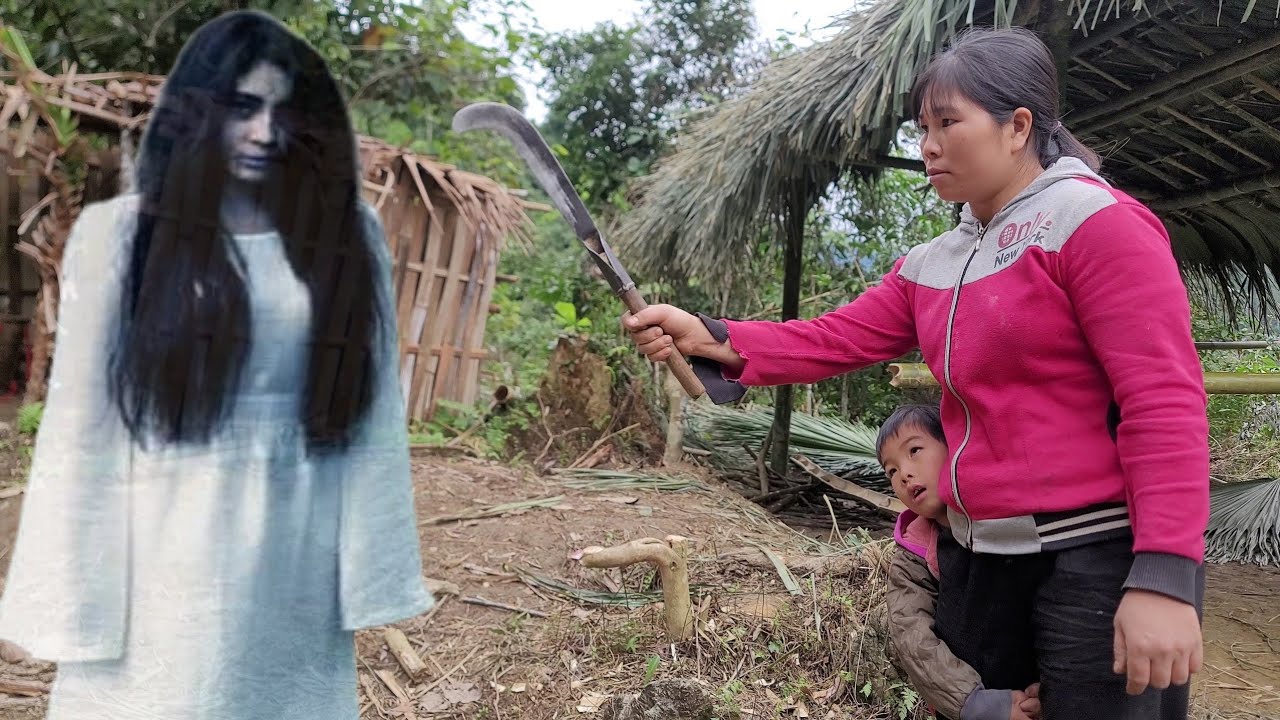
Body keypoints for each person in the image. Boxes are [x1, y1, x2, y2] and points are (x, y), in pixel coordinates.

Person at [624, 26, 1207, 719]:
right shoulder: (935, 261)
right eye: (921, 128)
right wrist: (714, 337)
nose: (928, 145)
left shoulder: (1096, 224)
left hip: (1093, 559)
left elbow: (1162, 400)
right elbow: (838, 336)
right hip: (981, 562)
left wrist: (1165, 576)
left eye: (947, 123)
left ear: (1018, 127)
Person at [0, 11, 432, 719]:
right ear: (198, 112)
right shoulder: (120, 235)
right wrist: (68, 591)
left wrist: (371, 568)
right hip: (159, 535)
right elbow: (79, 425)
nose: (265, 131)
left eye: (282, 110)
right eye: (242, 107)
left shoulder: (348, 232)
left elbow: (373, 409)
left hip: (298, 531)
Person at [879, 405, 1040, 720]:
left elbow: (1059, 601)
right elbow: (911, 635)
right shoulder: (914, 552)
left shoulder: (1012, 518)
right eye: (891, 471)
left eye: (914, 451)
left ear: (954, 445)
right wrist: (976, 703)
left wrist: (1054, 688)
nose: (904, 475)